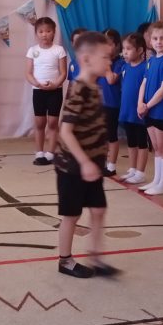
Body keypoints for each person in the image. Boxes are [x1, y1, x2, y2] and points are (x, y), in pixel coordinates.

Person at [54, 31, 120, 278]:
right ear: (86, 59)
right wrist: (84, 162)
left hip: (92, 164)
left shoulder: (95, 87)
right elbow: (65, 131)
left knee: (98, 209)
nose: (109, 62)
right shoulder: (78, 89)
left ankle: (95, 256)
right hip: (72, 166)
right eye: (105, 57)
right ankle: (65, 261)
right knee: (71, 215)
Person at [137, 21, 163, 195]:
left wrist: (147, 105)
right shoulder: (151, 60)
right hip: (148, 109)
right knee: (155, 146)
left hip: (161, 111)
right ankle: (157, 180)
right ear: (150, 40)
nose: (159, 42)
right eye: (155, 38)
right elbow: (144, 82)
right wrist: (140, 103)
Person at [26, 17, 67, 166]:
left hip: (55, 91)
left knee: (53, 122)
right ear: (36, 33)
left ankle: (50, 153)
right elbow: (28, 73)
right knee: (39, 122)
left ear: (54, 32)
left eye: (48, 31)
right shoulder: (32, 50)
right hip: (38, 91)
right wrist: (36, 83)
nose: (45, 34)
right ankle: (39, 152)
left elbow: (63, 73)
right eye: (41, 31)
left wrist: (55, 84)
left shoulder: (59, 50)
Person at [118, 32, 149, 185]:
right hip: (127, 110)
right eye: (124, 49)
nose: (125, 52)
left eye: (129, 49)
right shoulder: (125, 67)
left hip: (139, 112)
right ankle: (132, 168)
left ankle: (140, 172)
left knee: (142, 142)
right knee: (131, 141)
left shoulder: (145, 68)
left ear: (140, 50)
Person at [99, 28, 124, 177]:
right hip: (100, 103)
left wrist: (106, 64)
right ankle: (102, 162)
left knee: (111, 134)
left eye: (109, 44)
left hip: (113, 104)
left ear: (117, 45)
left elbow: (111, 80)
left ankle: (111, 166)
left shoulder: (120, 62)